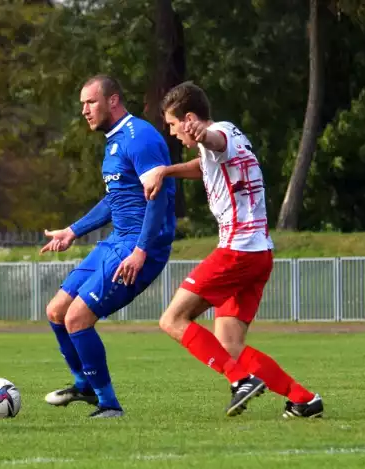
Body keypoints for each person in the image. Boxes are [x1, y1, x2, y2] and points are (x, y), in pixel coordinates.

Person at [142, 81, 323, 418]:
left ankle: (241, 380)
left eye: (172, 124)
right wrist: (166, 171)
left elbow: (213, 141)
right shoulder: (233, 135)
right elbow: (207, 162)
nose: (173, 132)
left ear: (190, 118)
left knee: (172, 319)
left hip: (237, 252)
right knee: (229, 345)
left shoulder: (218, 136)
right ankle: (303, 399)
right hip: (258, 253)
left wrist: (200, 134)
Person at [40, 75, 177, 418]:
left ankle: (109, 404)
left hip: (139, 246)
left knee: (77, 318)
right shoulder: (114, 142)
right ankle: (83, 385)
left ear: (112, 100)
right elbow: (115, 200)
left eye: (90, 102)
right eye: (82, 104)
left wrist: (141, 250)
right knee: (56, 311)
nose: (84, 111)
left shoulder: (140, 137)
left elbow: (157, 198)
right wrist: (73, 230)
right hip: (117, 241)